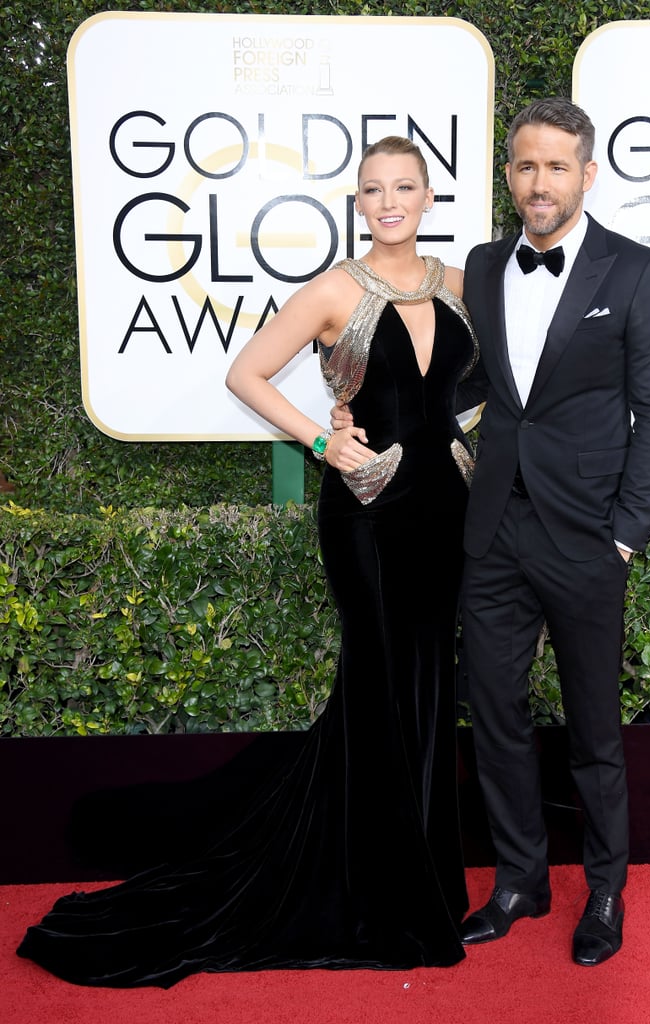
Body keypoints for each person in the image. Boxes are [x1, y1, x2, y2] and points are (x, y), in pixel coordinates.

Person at [16, 136, 479, 987]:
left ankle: (422, 880)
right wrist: (321, 439)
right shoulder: (335, 289)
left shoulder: (457, 285)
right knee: (378, 687)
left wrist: (467, 441)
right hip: (367, 513)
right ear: (358, 202)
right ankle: (383, 893)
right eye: (373, 189)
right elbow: (247, 372)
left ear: (426, 198)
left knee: (428, 686)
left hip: (445, 517)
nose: (388, 202)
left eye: (403, 187)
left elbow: (481, 389)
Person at [453, 97, 650, 966]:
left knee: (592, 727)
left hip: (588, 535)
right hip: (494, 532)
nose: (538, 182)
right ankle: (518, 880)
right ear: (507, 175)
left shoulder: (636, 272)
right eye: (524, 165)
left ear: (588, 174)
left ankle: (605, 891)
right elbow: (478, 383)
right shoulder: (480, 266)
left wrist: (625, 532)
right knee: (497, 711)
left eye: (556, 166)